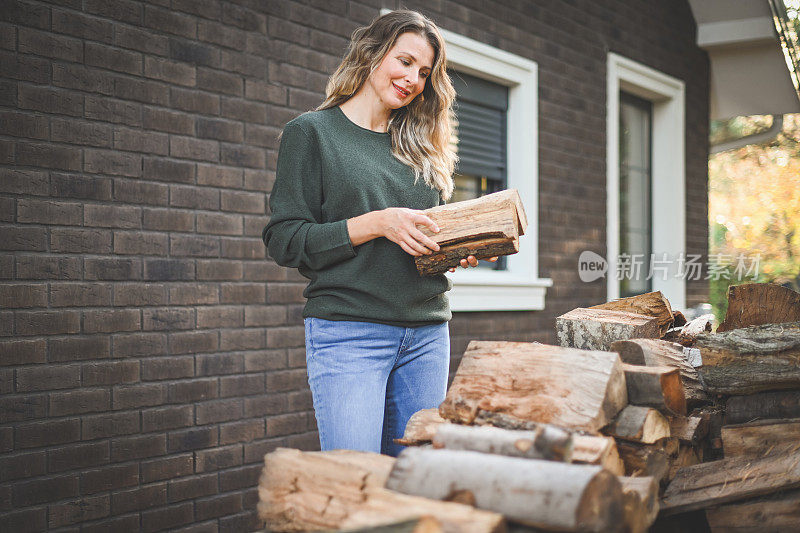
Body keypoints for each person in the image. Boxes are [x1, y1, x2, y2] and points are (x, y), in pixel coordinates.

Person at [262, 10, 494, 457]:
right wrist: (378, 223)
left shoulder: (418, 147)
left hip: (426, 335)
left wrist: (457, 249)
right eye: (404, 61)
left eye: (424, 72)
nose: (413, 79)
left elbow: (426, 236)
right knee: (357, 482)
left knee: (416, 482)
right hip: (350, 334)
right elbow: (285, 239)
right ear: (372, 53)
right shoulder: (311, 134)